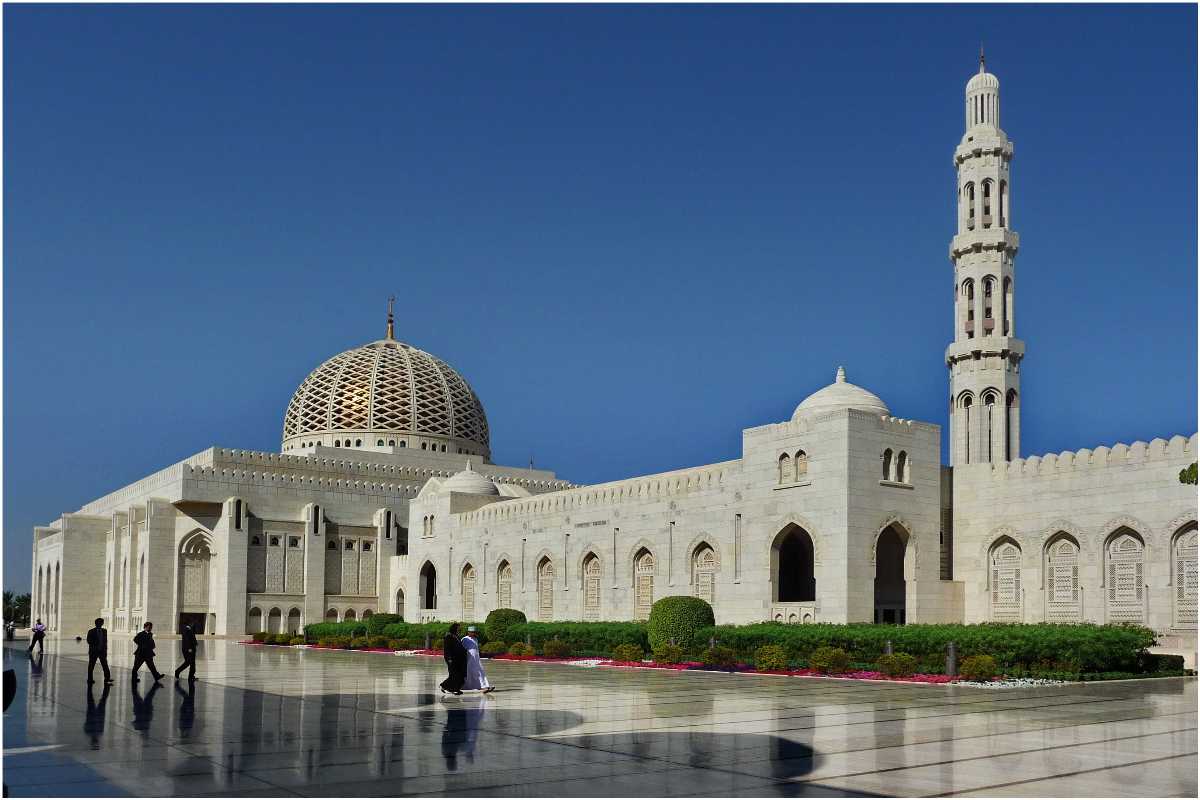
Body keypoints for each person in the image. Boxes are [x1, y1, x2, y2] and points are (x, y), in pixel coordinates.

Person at [461, 626, 493, 693]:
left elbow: (476, 649)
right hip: (469, 660)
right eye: (472, 632)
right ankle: (469, 686)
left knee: (480, 672)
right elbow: (462, 649)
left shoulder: (476, 639)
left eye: (474, 632)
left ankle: (484, 686)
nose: (473, 633)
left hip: (476, 660)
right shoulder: (464, 639)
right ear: (468, 632)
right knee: (470, 674)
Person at [439, 623, 467, 695]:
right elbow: (447, 649)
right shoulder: (448, 636)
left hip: (458, 659)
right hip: (451, 659)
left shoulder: (456, 636)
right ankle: (444, 685)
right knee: (454, 674)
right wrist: (449, 658)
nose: (459, 629)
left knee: (460, 674)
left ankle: (456, 688)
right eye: (458, 628)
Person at [86, 618, 113, 685]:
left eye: (101, 623)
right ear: (96, 623)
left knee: (105, 665)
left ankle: (107, 678)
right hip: (94, 652)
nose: (100, 624)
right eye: (99, 623)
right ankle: (90, 679)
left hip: (102, 651)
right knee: (91, 666)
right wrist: (96, 643)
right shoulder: (91, 631)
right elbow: (89, 641)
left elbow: (105, 641)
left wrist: (105, 649)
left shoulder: (104, 631)